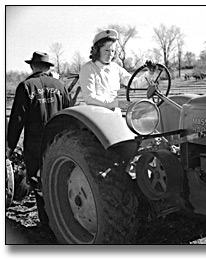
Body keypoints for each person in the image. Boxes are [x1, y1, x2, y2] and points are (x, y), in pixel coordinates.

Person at [6, 51, 70, 223]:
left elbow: (17, 119)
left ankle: (46, 221)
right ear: (48, 67)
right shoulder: (60, 86)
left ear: (32, 66)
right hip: (59, 141)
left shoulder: (26, 86)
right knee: (59, 177)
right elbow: (69, 112)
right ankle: (62, 219)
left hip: (35, 143)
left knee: (37, 180)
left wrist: (10, 146)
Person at [79, 29, 156, 111]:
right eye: (107, 50)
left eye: (112, 51)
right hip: (96, 115)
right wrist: (117, 103)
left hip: (114, 113)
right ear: (97, 50)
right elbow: (90, 98)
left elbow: (133, 83)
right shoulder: (88, 69)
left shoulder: (115, 68)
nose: (110, 54)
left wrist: (150, 73)